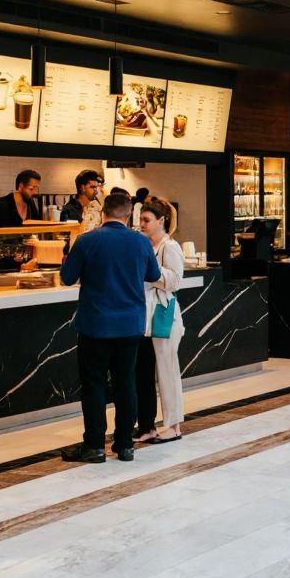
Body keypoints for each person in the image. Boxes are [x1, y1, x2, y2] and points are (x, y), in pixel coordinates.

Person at [58, 191, 162, 463]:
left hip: (95, 325)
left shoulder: (87, 240)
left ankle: (94, 445)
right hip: (130, 326)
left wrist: (68, 254)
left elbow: (67, 278)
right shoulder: (140, 242)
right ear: (129, 215)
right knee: (126, 383)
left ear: (103, 212)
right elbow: (153, 274)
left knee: (93, 385)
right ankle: (125, 444)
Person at [134, 196, 186, 444]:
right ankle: (148, 425)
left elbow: (175, 281)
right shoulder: (146, 245)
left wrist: (149, 273)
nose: (142, 224)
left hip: (164, 314)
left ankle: (174, 425)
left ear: (161, 220)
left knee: (167, 371)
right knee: (144, 372)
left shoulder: (170, 247)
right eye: (140, 220)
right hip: (145, 317)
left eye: (146, 220)